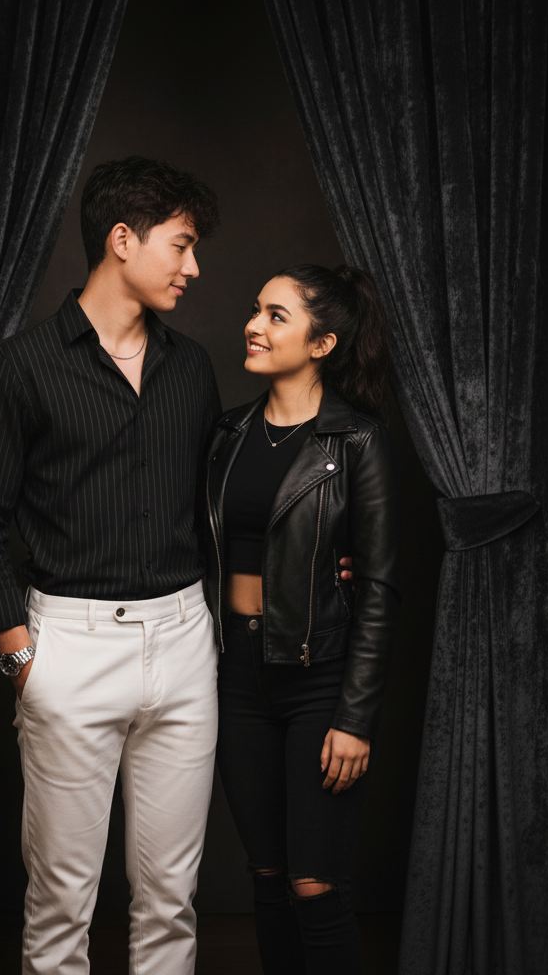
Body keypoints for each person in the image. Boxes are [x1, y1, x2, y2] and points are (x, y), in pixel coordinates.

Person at [0, 156, 224, 975]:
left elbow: (215, 510)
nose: (193, 267)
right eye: (181, 244)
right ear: (122, 240)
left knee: (171, 903)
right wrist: (22, 662)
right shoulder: (19, 366)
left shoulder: (193, 368)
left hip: (184, 642)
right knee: (60, 907)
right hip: (68, 648)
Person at [205, 263, 401, 974]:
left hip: (320, 680)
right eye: (256, 310)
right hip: (235, 675)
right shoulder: (227, 433)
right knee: (266, 876)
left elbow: (379, 587)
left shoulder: (357, 442)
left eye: (276, 316)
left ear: (322, 344)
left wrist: (356, 718)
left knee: (313, 884)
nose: (254, 326)